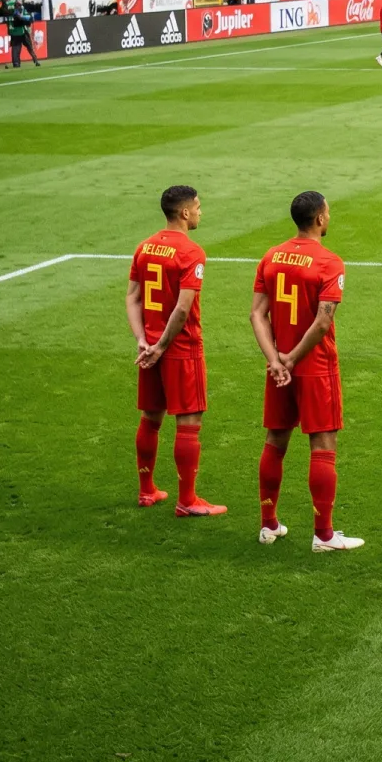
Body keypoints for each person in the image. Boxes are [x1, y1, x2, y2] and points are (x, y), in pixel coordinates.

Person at [249, 191, 362, 552]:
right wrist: (293, 359)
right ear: (319, 219)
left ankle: (268, 526)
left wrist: (276, 359)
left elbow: (256, 314)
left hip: (279, 363)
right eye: (328, 212)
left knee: (275, 440)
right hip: (313, 365)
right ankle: (324, 535)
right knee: (323, 445)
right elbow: (322, 321)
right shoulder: (330, 262)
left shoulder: (271, 255)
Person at [124, 185, 224, 517]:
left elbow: (133, 297)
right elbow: (182, 311)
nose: (200, 212)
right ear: (183, 213)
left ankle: (146, 490)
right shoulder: (192, 252)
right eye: (197, 207)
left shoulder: (144, 247)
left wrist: (143, 340)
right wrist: (162, 346)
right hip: (180, 348)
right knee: (189, 422)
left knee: (151, 418)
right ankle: (187, 500)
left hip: (148, 347)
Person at [5, 0, 39, 70]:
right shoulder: (17, 10)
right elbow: (21, 17)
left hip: (15, 31)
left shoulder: (9, 7)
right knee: (21, 47)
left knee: (19, 47)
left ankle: (34, 60)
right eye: (18, 4)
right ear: (16, 4)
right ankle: (17, 62)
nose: (19, 6)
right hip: (20, 31)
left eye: (19, 4)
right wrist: (28, 19)